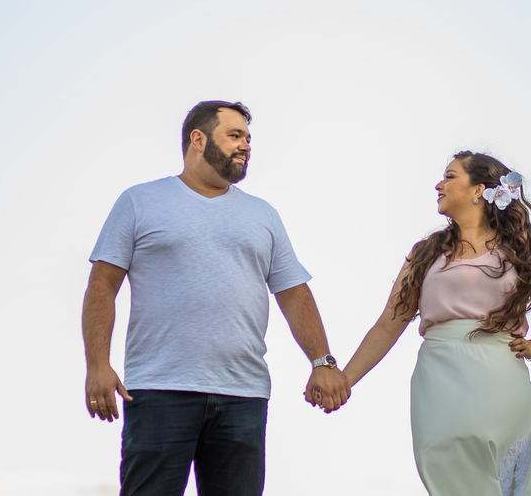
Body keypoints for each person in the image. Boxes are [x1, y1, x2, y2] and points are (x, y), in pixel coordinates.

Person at [81, 100, 350, 496]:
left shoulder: (263, 215)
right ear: (198, 139)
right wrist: (97, 364)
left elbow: (294, 292)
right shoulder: (140, 201)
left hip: (244, 394)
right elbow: (102, 284)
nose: (246, 146)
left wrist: (323, 361)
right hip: (160, 389)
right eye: (235, 135)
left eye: (248, 138)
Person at [341, 151, 531, 496]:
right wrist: (344, 379)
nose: (438, 184)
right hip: (438, 380)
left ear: (479, 190)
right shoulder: (425, 252)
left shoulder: (521, 246)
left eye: (449, 176)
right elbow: (388, 325)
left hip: (500, 380)